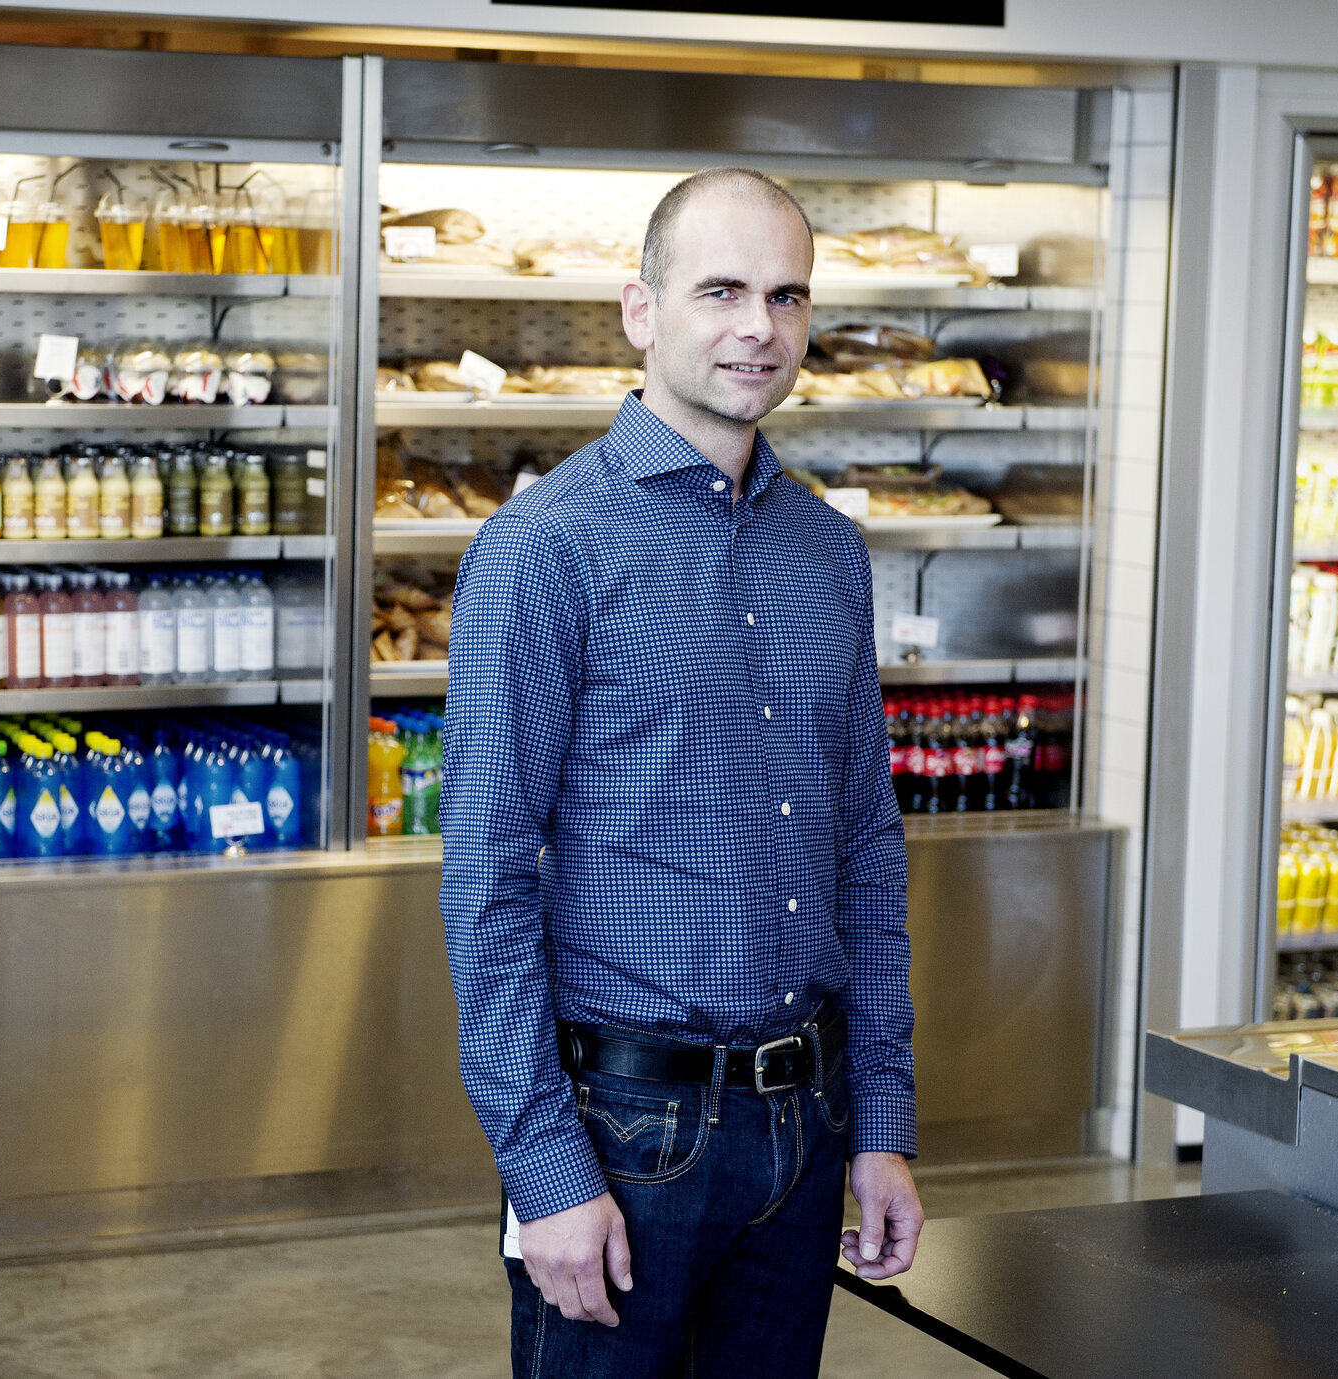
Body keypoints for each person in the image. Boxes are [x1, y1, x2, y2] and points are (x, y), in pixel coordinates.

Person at [439, 166, 922, 1377]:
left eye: (784, 295)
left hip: (805, 1127)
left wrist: (882, 1122)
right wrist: (544, 1174)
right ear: (639, 311)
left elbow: (864, 848)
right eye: (718, 290)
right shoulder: (543, 548)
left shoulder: (829, 550)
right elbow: (484, 878)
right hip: (622, 1136)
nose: (757, 326)